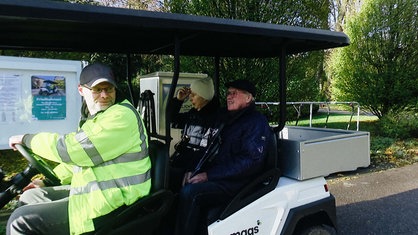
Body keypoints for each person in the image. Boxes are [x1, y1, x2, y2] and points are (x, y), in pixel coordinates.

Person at [7, 63, 151, 235]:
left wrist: (27, 139)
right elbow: (81, 159)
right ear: (82, 90)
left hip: (116, 203)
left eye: (109, 89)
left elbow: (70, 150)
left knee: (20, 222)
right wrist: (47, 180)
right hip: (99, 192)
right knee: (30, 196)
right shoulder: (97, 118)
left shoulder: (121, 116)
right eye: (97, 90)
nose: (104, 95)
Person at [174, 79, 272, 235]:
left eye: (234, 93)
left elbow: (250, 161)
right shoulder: (227, 116)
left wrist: (208, 175)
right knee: (174, 178)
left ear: (248, 98)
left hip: (238, 181)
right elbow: (198, 116)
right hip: (221, 174)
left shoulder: (255, 122)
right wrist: (194, 170)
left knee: (190, 192)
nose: (229, 97)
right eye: (228, 93)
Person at [168, 77, 221, 192]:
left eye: (194, 94)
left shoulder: (215, 120)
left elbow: (206, 151)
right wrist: (178, 101)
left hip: (195, 168)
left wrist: (190, 171)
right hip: (183, 161)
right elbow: (172, 121)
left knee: (168, 178)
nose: (190, 98)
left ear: (204, 97)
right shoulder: (194, 114)